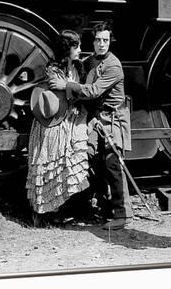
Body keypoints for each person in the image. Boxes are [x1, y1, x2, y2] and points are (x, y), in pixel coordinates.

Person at [50, 22, 133, 230]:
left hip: (114, 119)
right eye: (98, 40)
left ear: (110, 41)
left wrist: (66, 85)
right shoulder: (89, 61)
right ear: (93, 41)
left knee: (114, 164)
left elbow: (94, 90)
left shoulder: (113, 66)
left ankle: (123, 214)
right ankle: (104, 208)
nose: (101, 44)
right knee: (91, 159)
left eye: (105, 40)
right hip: (97, 118)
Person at [26, 30, 90, 224]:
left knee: (66, 166)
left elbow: (73, 91)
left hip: (71, 120)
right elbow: (64, 94)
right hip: (54, 123)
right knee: (50, 167)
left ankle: (62, 207)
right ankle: (45, 212)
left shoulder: (76, 68)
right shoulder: (54, 70)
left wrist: (70, 86)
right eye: (76, 46)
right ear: (66, 49)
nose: (79, 50)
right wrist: (71, 88)